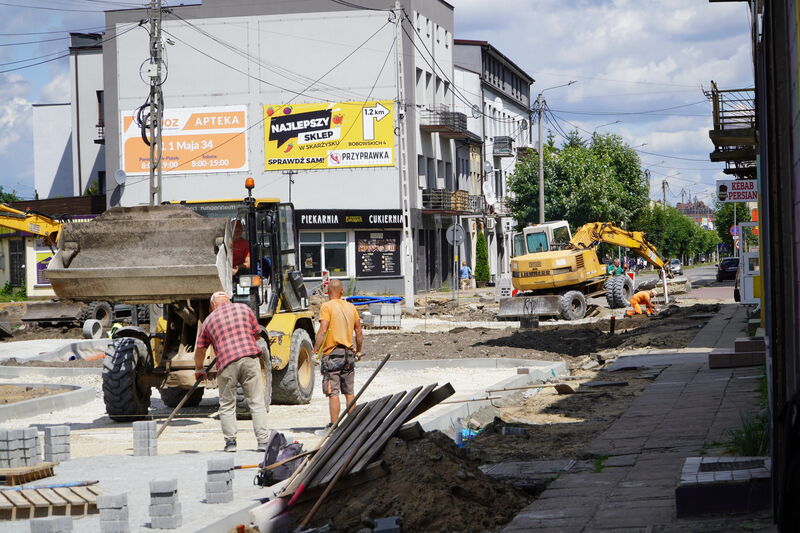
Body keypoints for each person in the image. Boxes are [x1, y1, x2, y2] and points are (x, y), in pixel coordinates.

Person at [194, 291, 268, 452]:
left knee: (227, 405)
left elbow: (200, 349)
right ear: (228, 300)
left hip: (226, 363)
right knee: (256, 401)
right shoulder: (244, 309)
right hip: (249, 358)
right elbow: (257, 335)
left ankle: (231, 443)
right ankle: (263, 442)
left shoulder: (209, 320)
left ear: (213, 305)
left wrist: (199, 368)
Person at [312, 279, 363, 427]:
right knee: (349, 392)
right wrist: (359, 351)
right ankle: (352, 425)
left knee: (333, 392)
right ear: (342, 291)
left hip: (332, 354)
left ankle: (334, 425)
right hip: (348, 354)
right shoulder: (351, 307)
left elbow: (323, 330)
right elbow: (358, 331)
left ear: (327, 292)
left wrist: (315, 350)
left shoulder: (326, 307)